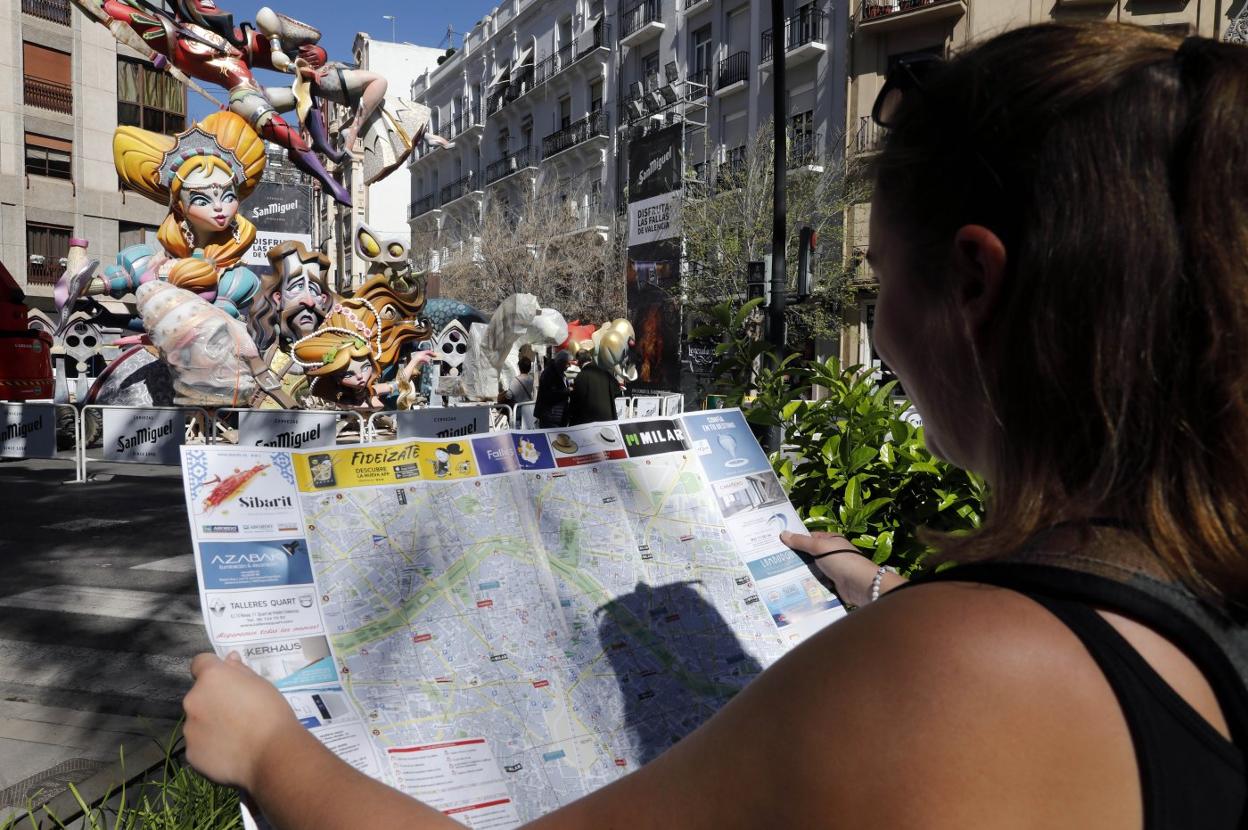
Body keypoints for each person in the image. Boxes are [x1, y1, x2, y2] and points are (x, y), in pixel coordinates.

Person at [182, 23, 1247, 828]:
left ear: (973, 282)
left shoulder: (955, 669)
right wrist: (882, 593)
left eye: (880, 277)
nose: (875, 320)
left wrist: (271, 750)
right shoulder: (1196, 588)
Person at [565, 348, 623, 426]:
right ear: (590, 358)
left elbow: (576, 401)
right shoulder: (605, 372)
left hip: (589, 423)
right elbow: (617, 390)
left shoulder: (581, 376)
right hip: (607, 420)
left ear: (579, 362)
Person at [534, 350, 572, 428]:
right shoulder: (549, 373)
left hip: (557, 416)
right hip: (550, 416)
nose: (570, 365)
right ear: (561, 362)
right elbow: (549, 395)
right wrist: (567, 390)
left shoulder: (560, 372)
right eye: (568, 363)